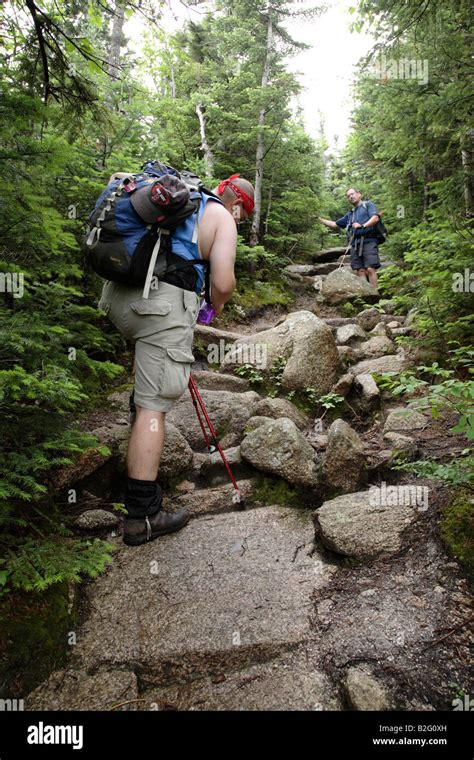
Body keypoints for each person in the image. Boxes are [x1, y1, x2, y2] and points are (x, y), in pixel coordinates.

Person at [98, 173, 255, 546]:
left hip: (117, 298)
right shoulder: (220, 218)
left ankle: (136, 438)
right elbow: (223, 283)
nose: (240, 221)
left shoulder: (180, 198)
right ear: (238, 204)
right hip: (159, 310)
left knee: (146, 380)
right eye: (243, 216)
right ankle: (143, 515)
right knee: (155, 407)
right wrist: (213, 308)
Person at [318, 187, 381, 288]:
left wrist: (363, 225)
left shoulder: (368, 205)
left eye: (352, 194)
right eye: (348, 196)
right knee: (359, 271)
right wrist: (319, 219)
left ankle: (376, 297)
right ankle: (366, 296)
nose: (351, 197)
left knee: (370, 269)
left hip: (369, 240)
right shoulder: (350, 214)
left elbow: (375, 218)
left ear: (359, 194)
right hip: (355, 244)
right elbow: (335, 224)